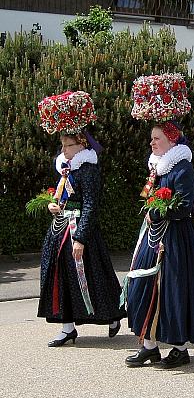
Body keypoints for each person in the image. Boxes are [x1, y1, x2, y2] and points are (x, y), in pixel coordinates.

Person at [125, 74, 194, 368]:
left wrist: (159, 211)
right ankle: (148, 344)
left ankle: (178, 347)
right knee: (143, 286)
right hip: (154, 236)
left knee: (172, 290)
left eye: (156, 138)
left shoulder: (183, 168)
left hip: (176, 238)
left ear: (171, 140)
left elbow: (185, 206)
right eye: (151, 138)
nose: (151, 142)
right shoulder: (158, 167)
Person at [36, 91, 125, 346]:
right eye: (62, 146)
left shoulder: (88, 168)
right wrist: (55, 205)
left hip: (79, 231)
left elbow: (91, 204)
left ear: (81, 145)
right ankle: (67, 327)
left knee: (93, 275)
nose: (63, 150)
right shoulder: (66, 168)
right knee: (58, 275)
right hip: (60, 228)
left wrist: (81, 238)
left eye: (68, 145)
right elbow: (64, 196)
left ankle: (112, 315)